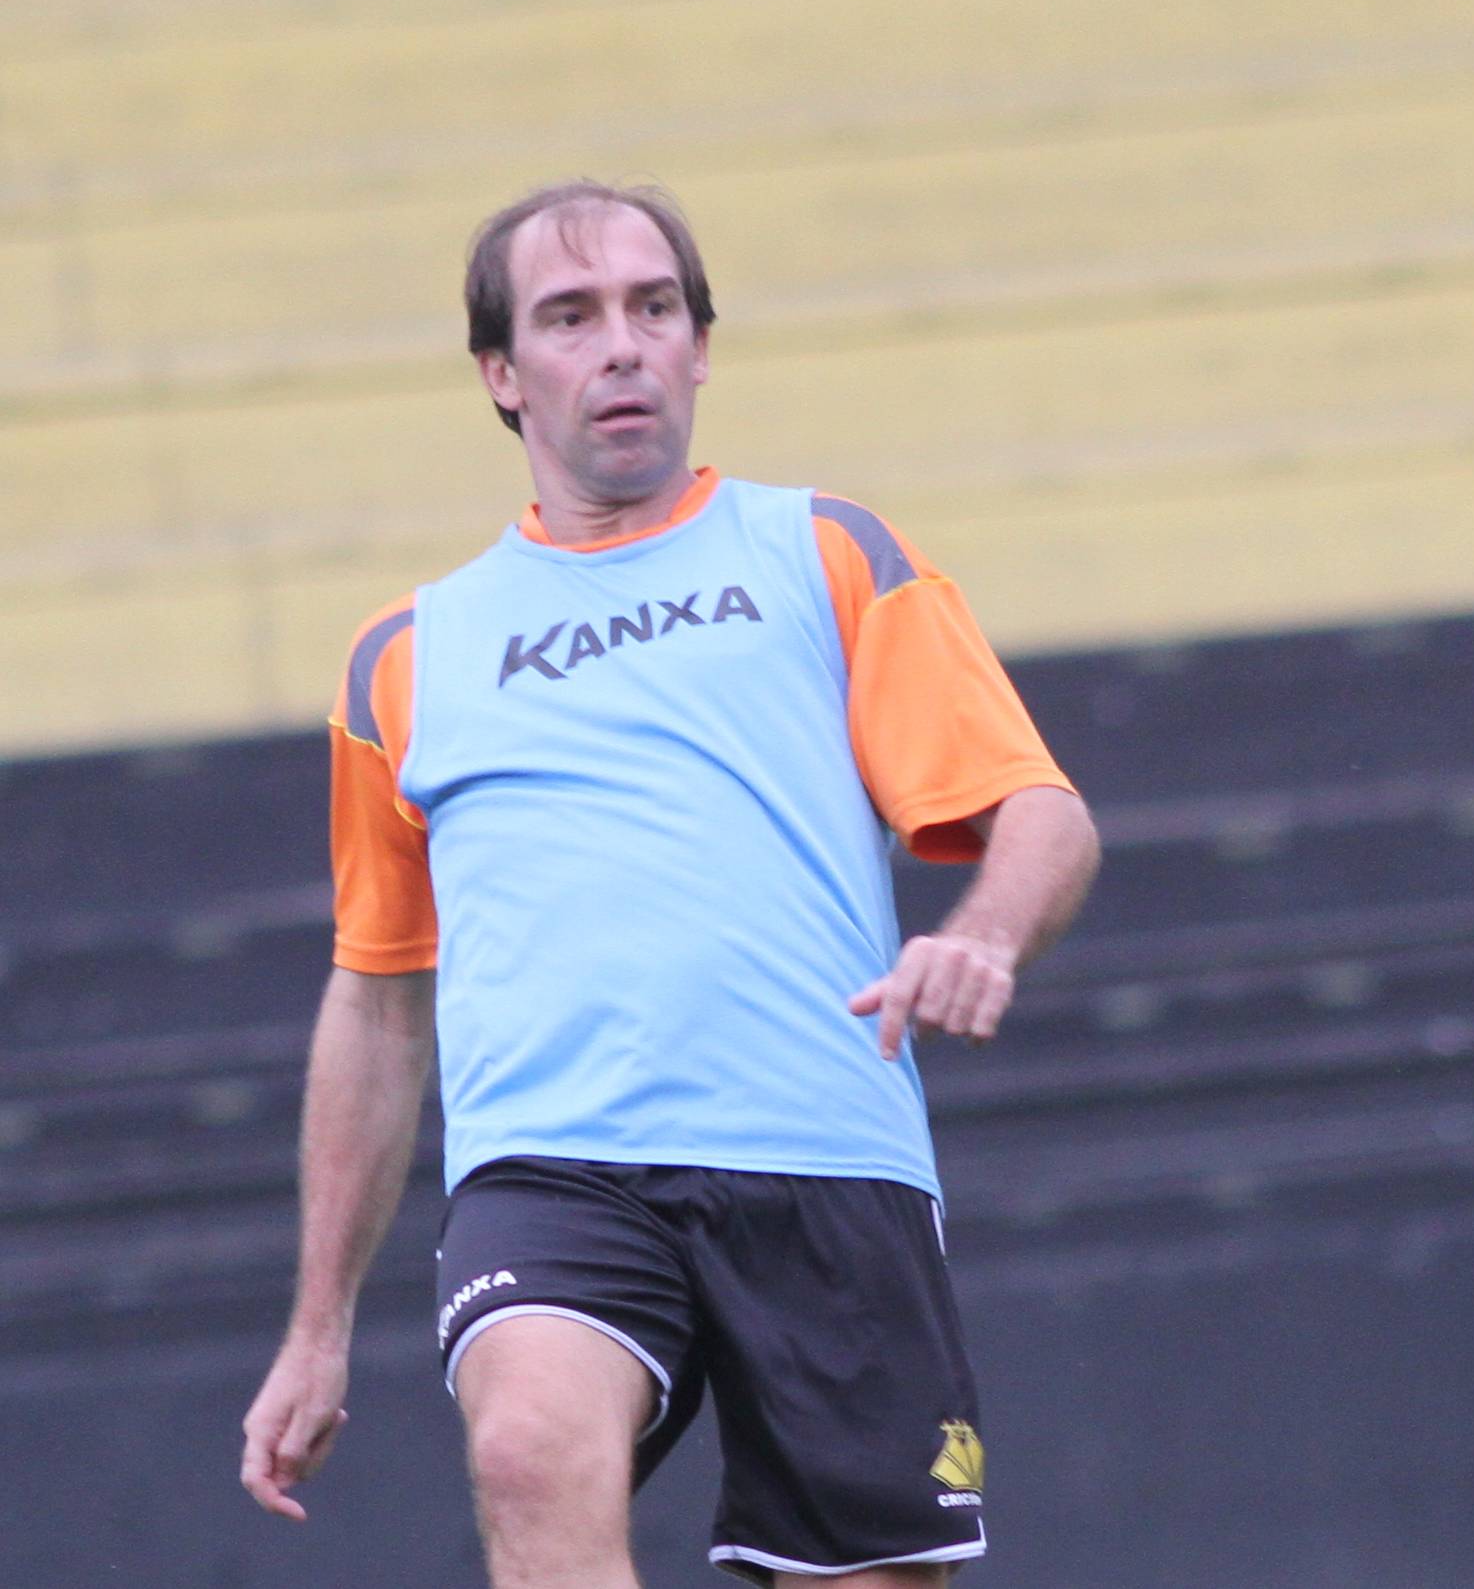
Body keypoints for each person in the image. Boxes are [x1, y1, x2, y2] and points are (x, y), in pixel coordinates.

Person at [238, 179, 1100, 1587]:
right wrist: (316, 1325)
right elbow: (379, 999)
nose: (622, 345)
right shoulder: (407, 657)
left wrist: (987, 934)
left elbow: (1047, 814)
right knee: (526, 1445)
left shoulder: (822, 552)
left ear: (701, 348)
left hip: (826, 1157)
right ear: (503, 376)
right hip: (556, 1166)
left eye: (654, 308)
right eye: (570, 318)